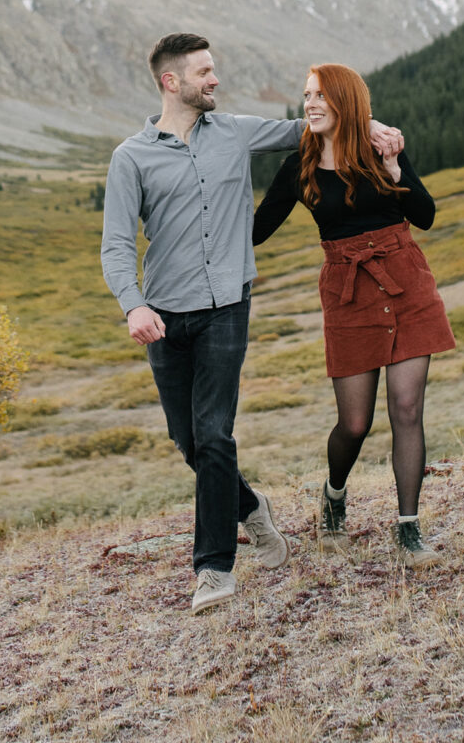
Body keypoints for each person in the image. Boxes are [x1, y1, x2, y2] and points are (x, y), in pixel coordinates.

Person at [101, 35, 402, 613]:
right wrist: (133, 305)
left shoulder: (236, 132)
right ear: (172, 82)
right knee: (189, 442)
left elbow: (312, 125)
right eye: (205, 72)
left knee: (215, 434)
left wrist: (374, 125)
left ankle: (213, 569)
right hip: (163, 313)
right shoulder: (131, 158)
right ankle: (250, 508)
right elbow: (116, 245)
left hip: (226, 307)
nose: (215, 80)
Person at [252, 64, 456, 567]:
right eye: (306, 95)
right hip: (347, 293)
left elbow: (426, 216)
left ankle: (408, 529)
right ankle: (335, 496)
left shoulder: (381, 150)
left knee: (407, 410)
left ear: (344, 100)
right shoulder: (299, 165)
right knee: (355, 422)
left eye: (320, 95)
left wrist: (395, 171)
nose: (310, 104)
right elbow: (256, 231)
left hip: (405, 279)